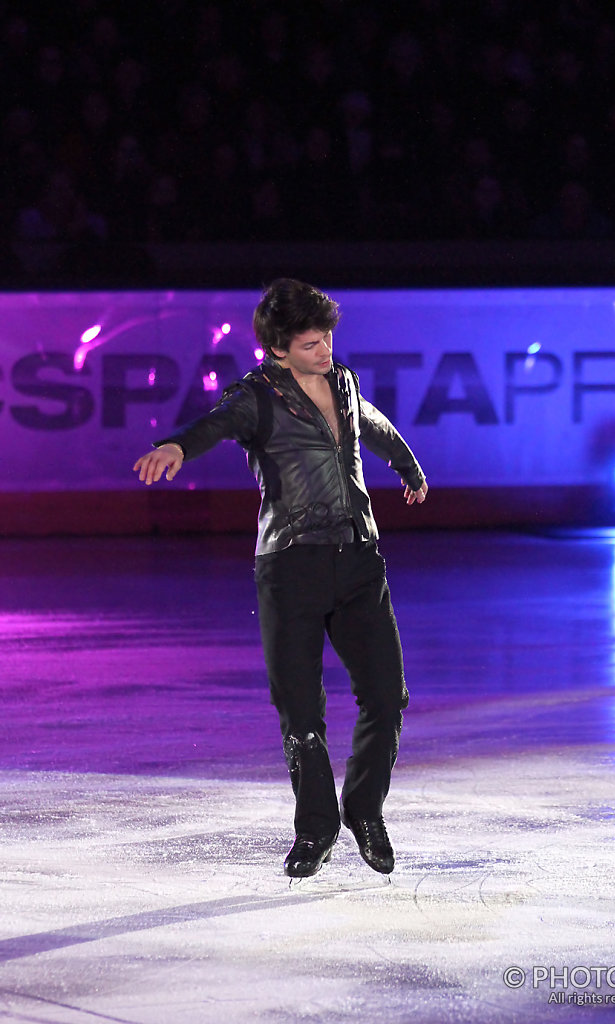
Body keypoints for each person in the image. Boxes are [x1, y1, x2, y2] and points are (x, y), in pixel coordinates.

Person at [134, 278, 428, 878]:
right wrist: (174, 447)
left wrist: (405, 463)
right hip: (290, 565)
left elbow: (369, 424)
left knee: (387, 696)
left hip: (358, 558)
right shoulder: (255, 397)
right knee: (300, 709)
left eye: (327, 340)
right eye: (312, 344)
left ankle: (364, 811)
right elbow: (210, 425)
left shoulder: (341, 380)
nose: (326, 351)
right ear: (278, 348)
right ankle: (315, 829)